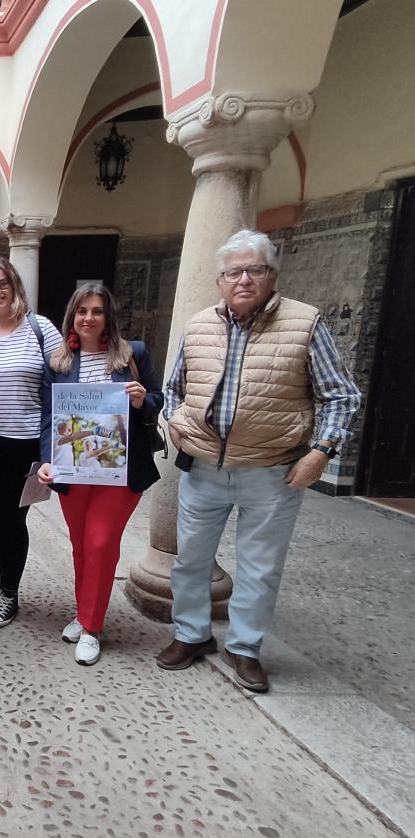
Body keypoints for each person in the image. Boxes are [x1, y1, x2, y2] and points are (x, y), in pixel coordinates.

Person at [157, 230, 361, 692]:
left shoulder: (304, 324)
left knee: (260, 565)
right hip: (204, 466)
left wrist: (320, 453)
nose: (244, 279)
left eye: (255, 270)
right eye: (234, 272)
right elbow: (174, 388)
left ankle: (245, 648)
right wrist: (173, 422)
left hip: (273, 470)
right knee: (190, 559)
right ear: (219, 281)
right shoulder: (199, 325)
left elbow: (341, 396)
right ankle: (191, 634)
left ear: (272, 275)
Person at [36, 283, 162, 666]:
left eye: (97, 311)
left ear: (108, 317)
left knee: (100, 543)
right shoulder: (57, 363)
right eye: (82, 311)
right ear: (72, 317)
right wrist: (46, 459)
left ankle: (91, 628)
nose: (88, 318)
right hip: (74, 469)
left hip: (118, 472)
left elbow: (159, 400)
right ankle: (84, 613)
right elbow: (47, 419)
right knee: (80, 546)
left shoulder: (132, 354)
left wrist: (143, 400)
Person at [0, 257, 63, 627]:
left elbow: (68, 377)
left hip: (24, 444)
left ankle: (8, 594)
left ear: (15, 286)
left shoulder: (41, 329)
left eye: (3, 283)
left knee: (11, 519)